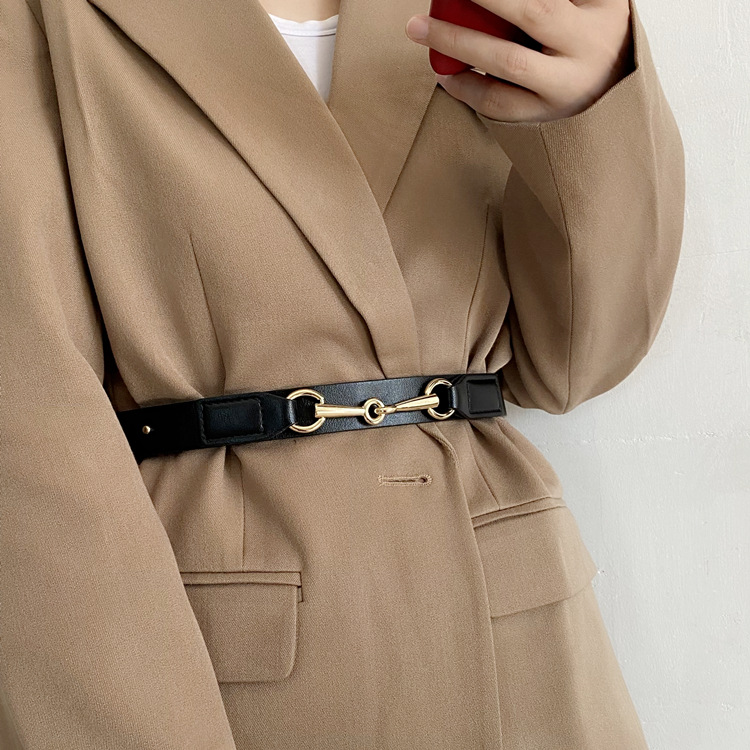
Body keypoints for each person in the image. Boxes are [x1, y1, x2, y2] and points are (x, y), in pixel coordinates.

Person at [0, 0, 685, 747]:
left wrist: (591, 113)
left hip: (520, 646)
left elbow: (571, 363)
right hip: (233, 667)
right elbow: (30, 431)